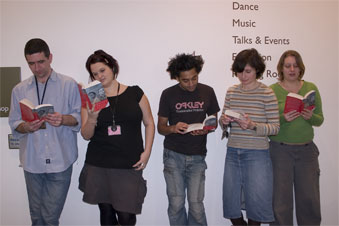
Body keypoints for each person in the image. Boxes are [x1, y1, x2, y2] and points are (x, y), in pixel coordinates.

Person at [8, 38, 81, 226]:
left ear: (50, 58)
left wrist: (63, 119)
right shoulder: (19, 90)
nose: (36, 68)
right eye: (31, 64)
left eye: (41, 62)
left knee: (49, 217)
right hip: (32, 161)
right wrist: (26, 127)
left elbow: (78, 119)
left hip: (61, 160)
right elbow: (14, 122)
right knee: (36, 217)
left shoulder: (69, 84)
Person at [79, 50, 155, 226]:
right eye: (95, 74)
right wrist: (92, 118)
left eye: (102, 70)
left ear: (112, 67)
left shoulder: (135, 93)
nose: (99, 76)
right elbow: (86, 135)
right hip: (99, 163)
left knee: (127, 216)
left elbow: (149, 122)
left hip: (129, 163)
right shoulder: (90, 99)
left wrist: (147, 152)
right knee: (106, 212)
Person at [157, 53, 220, 226]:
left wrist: (206, 129)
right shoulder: (168, 94)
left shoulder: (208, 91)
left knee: (196, 206)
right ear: (177, 77)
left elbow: (213, 121)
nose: (191, 83)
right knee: (176, 205)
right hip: (173, 156)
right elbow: (160, 127)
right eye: (186, 80)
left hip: (198, 155)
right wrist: (173, 128)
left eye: (194, 78)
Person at [219, 48, 280, 225]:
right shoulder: (232, 91)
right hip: (233, 151)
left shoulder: (266, 93)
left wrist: (252, 125)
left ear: (257, 71)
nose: (243, 76)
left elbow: (275, 128)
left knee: (257, 206)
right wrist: (224, 121)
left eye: (248, 71)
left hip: (257, 154)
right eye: (239, 71)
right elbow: (224, 124)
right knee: (231, 205)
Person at [269, 50, 324, 226]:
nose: (292, 69)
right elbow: (267, 125)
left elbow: (320, 119)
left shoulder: (311, 88)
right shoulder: (272, 91)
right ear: (281, 68)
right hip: (280, 151)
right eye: (288, 66)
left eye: (295, 65)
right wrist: (284, 118)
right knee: (280, 203)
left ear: (300, 68)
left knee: (309, 201)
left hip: (307, 152)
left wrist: (310, 117)